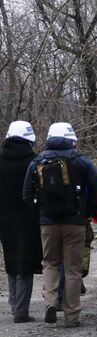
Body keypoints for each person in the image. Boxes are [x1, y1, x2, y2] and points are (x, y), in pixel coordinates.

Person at [23, 122, 97, 327]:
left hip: (47, 223)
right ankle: (71, 315)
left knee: (50, 263)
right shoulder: (81, 160)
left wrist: (40, 214)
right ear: (71, 139)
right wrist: (86, 213)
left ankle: (50, 302)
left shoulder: (37, 161)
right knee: (73, 269)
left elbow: (27, 194)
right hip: (74, 223)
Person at [0, 121, 42, 323]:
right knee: (26, 261)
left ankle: (13, 305)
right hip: (29, 218)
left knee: (11, 260)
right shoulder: (35, 161)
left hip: (4, 218)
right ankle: (21, 311)